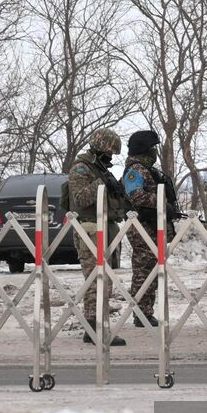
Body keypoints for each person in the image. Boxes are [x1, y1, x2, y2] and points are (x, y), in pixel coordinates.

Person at [67, 128, 131, 347]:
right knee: (95, 281)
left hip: (105, 229)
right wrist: (102, 184)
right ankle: (95, 328)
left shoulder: (99, 169)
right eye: (109, 152)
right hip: (89, 230)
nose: (111, 157)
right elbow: (80, 198)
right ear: (100, 148)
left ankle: (95, 326)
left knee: (105, 280)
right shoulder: (82, 168)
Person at [121, 130, 184, 327]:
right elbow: (135, 195)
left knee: (151, 270)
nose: (155, 152)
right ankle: (141, 312)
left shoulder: (148, 170)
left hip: (152, 226)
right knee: (143, 269)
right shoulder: (136, 171)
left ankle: (145, 310)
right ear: (144, 149)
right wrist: (161, 203)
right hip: (141, 226)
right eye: (152, 148)